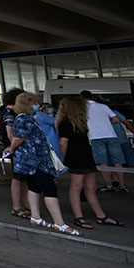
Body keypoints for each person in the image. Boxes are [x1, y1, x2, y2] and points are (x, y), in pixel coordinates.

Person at [4, 92, 78, 235]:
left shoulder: (24, 118)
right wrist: (11, 148)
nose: (37, 105)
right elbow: (18, 138)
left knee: (34, 187)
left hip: (30, 161)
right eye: (34, 102)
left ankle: (36, 217)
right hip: (35, 161)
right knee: (49, 188)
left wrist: (12, 149)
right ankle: (59, 223)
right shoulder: (25, 119)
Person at [57, 97, 123, 229]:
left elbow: (63, 143)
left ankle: (97, 216)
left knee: (88, 187)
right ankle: (82, 216)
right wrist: (65, 159)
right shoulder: (70, 123)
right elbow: (63, 143)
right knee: (80, 187)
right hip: (79, 156)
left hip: (81, 156)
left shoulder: (75, 122)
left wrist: (65, 158)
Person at [80, 90, 127, 193]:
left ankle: (109, 185)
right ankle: (122, 185)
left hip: (96, 137)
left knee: (102, 162)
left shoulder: (82, 108)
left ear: (82, 98)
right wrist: (106, 123)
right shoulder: (103, 106)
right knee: (117, 161)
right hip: (112, 136)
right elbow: (116, 119)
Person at [1, 88, 30, 219]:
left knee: (23, 179)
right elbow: (10, 134)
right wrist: (13, 147)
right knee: (18, 179)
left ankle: (27, 204)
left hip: (17, 149)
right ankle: (17, 206)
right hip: (17, 150)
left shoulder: (10, 112)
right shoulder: (10, 113)